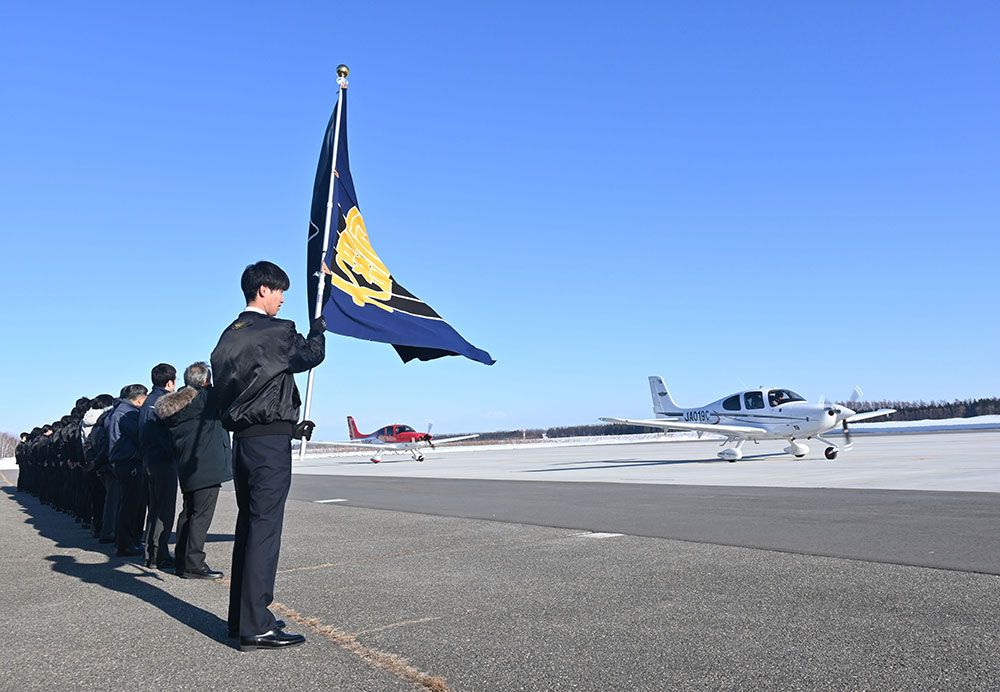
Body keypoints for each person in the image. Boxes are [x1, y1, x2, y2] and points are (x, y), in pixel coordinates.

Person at [211, 261, 325, 650]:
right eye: (279, 292)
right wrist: (320, 326)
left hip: (242, 442)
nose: (281, 299)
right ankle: (257, 624)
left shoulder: (227, 337)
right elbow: (309, 356)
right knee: (265, 530)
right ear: (263, 290)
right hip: (269, 446)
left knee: (249, 528)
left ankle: (240, 621)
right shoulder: (277, 331)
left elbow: (243, 392)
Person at [156, 361, 233, 580]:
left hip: (188, 467)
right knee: (201, 516)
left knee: (188, 513)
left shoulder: (178, 406)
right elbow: (227, 383)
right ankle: (194, 563)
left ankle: (182, 560)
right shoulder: (204, 400)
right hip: (206, 467)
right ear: (206, 382)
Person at [139, 363, 178, 569]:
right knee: (164, 509)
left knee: (154, 508)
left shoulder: (148, 402)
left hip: (149, 459)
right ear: (170, 382)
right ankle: (159, 553)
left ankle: (150, 553)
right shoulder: (165, 401)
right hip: (163, 461)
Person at [108, 384, 148, 557]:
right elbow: (140, 435)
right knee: (130, 505)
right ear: (139, 398)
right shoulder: (127, 413)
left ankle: (126, 541)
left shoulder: (118, 411)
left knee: (129, 503)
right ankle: (126, 544)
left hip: (122, 461)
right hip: (129, 461)